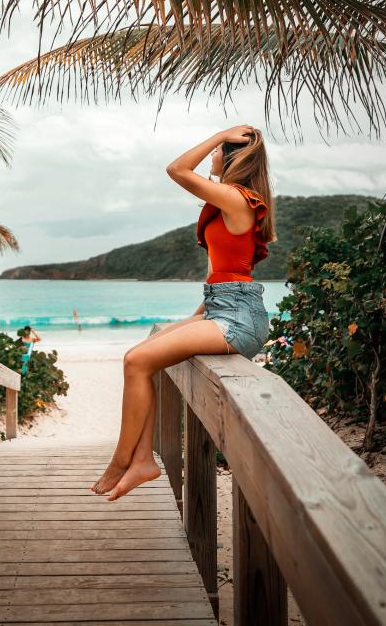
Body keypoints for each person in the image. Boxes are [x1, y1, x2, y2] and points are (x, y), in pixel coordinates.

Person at [90, 125, 276, 501]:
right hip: (224, 308)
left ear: (229, 156)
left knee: (136, 360)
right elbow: (223, 274)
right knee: (147, 351)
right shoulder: (231, 201)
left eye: (216, 152)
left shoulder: (238, 199)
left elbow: (176, 169)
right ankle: (143, 459)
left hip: (239, 318)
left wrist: (220, 134)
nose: (210, 158)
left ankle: (121, 462)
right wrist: (195, 317)